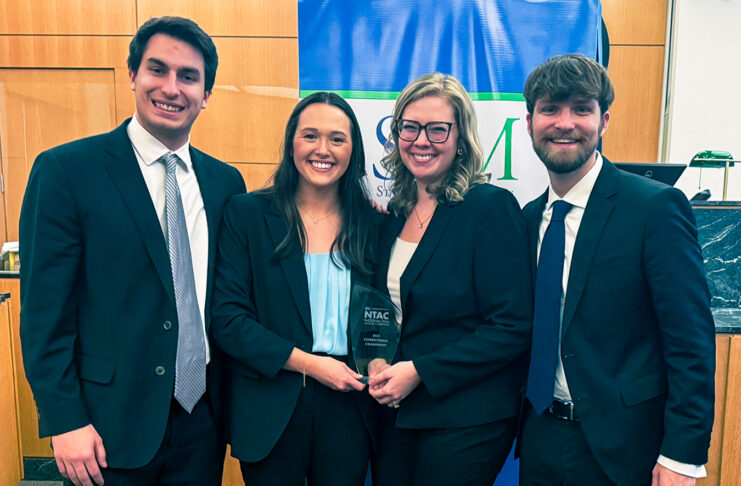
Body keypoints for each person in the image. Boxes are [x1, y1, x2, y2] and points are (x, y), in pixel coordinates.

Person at [19, 16, 246, 486]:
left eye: (188, 76)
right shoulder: (66, 171)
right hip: (104, 427)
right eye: (156, 70)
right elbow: (44, 314)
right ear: (132, 76)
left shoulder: (226, 183)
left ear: (206, 94)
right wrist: (63, 419)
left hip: (202, 423)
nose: (171, 87)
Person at [519, 54, 715, 486]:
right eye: (550, 108)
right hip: (540, 439)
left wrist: (682, 455)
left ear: (604, 121)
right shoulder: (528, 218)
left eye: (582, 109)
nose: (565, 123)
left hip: (627, 449)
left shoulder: (654, 208)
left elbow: (691, 341)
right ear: (529, 121)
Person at [367, 73, 532, 486]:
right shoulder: (395, 214)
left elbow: (512, 327)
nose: (421, 140)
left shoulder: (489, 208)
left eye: (438, 129)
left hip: (466, 418)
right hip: (396, 414)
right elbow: (384, 310)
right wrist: (375, 361)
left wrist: (419, 370)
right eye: (410, 126)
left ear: (461, 138)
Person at [209, 92, 379, 486]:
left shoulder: (373, 225)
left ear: (354, 150)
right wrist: (312, 364)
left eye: (338, 139)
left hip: (350, 406)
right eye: (310, 136)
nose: (323, 149)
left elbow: (385, 314)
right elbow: (228, 320)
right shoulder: (246, 215)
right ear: (291, 143)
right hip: (270, 403)